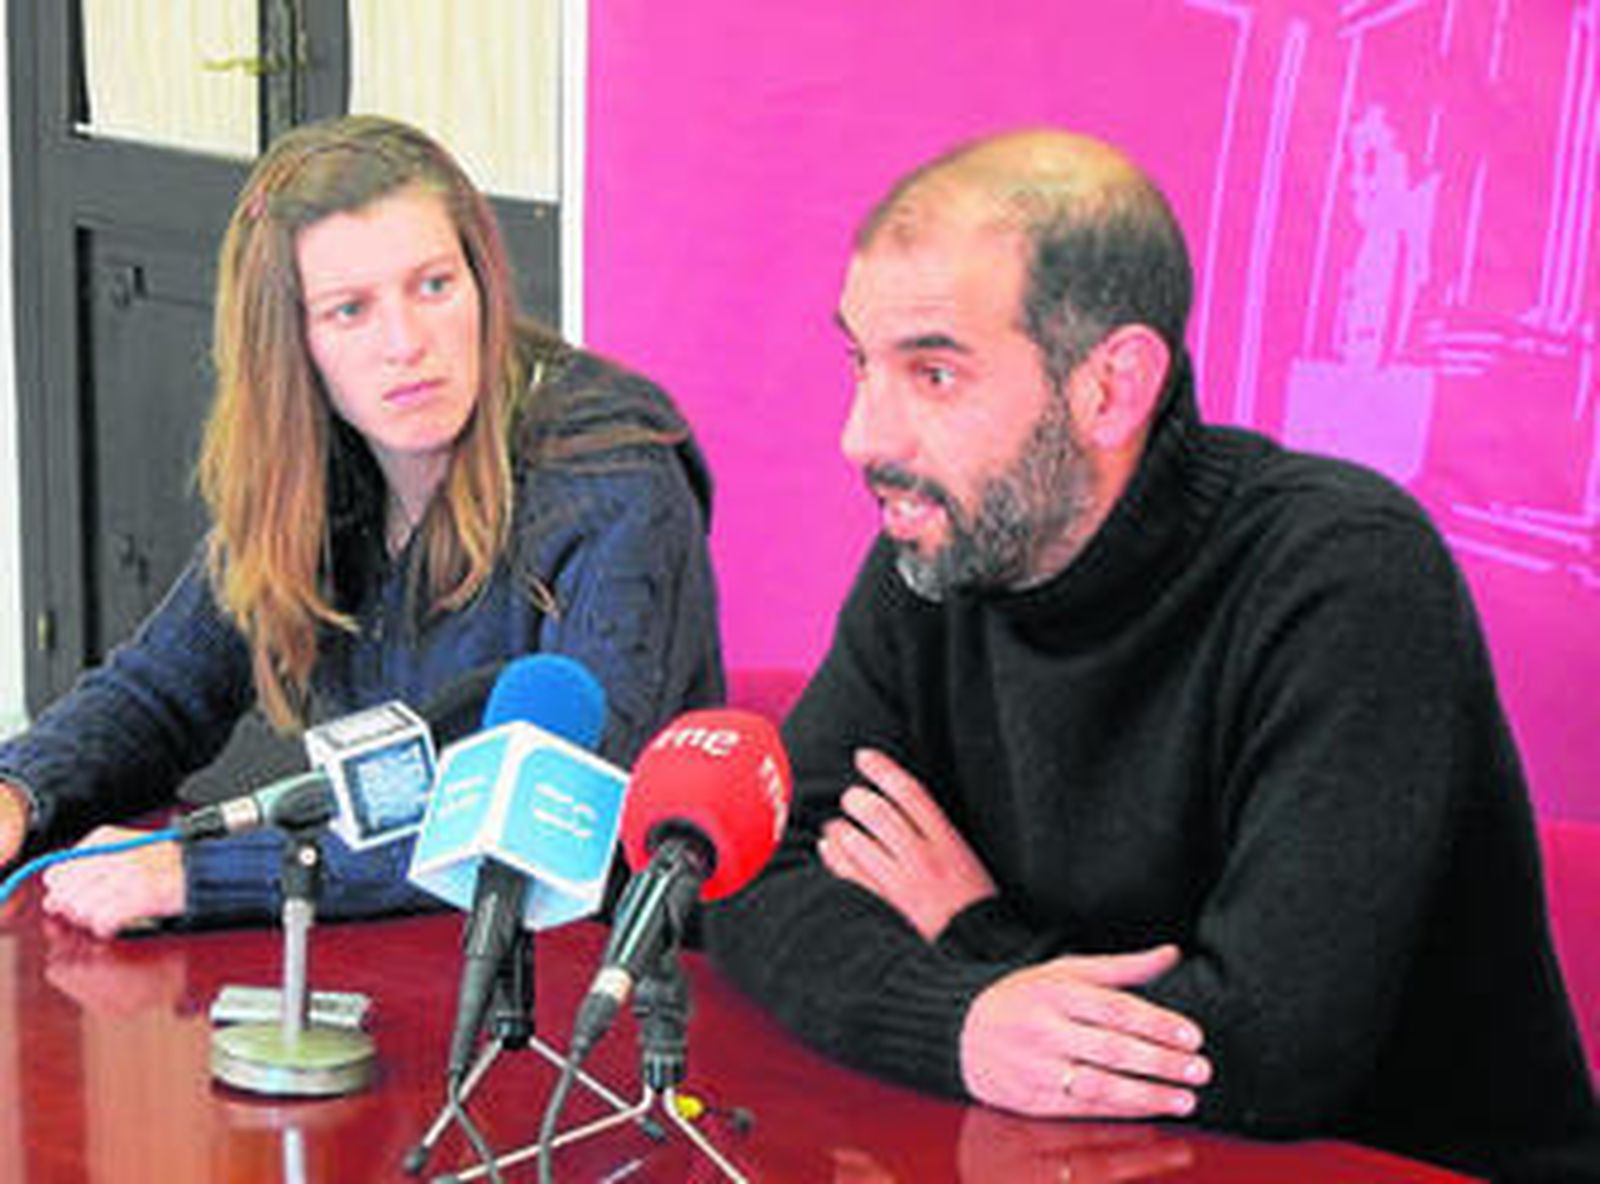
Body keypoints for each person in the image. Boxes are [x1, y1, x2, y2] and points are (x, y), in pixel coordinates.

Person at [706, 129, 1596, 1181]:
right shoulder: (936, 553)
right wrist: (958, 1018)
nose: (863, 435)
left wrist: (972, 933)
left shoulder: (1344, 575)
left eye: (933, 372)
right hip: (1072, 1153)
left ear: (1111, 388)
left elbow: (1266, 1050)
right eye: (862, 361)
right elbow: (754, 873)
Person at [0, 115, 723, 936]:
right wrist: (21, 788)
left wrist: (198, 871)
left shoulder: (611, 472)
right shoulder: (320, 461)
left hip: (581, 972)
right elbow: (162, 692)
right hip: (378, 951)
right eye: (350, 311)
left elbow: (550, 804)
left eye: (434, 286)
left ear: (482, 280)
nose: (406, 344)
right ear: (291, 346)